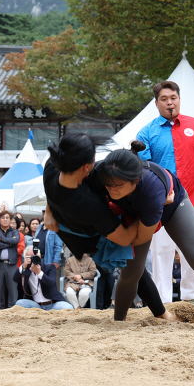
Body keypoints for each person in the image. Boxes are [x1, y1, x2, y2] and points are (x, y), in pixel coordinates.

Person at [95, 145, 194, 327]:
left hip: (171, 205)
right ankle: (118, 321)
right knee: (131, 271)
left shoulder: (152, 189)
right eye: (108, 185)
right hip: (133, 211)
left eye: (118, 185)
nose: (112, 190)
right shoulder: (100, 171)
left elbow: (141, 237)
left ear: (135, 180)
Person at [42, 133, 176, 322]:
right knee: (132, 267)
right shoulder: (89, 205)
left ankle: (161, 313)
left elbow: (50, 190)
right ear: (85, 167)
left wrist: (49, 211)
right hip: (88, 236)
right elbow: (126, 238)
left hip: (65, 223)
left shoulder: (53, 164)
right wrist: (153, 207)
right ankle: (158, 314)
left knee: (135, 270)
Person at [136, 80, 194, 307]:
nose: (169, 102)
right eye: (164, 99)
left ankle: (191, 297)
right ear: (156, 104)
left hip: (193, 198)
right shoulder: (147, 132)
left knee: (193, 249)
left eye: (173, 98)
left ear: (179, 99)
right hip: (161, 201)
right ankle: (161, 300)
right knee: (161, 250)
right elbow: (144, 169)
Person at [0, 211, 20, 310]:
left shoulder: (15, 232)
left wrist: (1, 240)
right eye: (3, 218)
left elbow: (16, 240)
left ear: (10, 220)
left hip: (11, 264)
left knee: (12, 288)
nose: (5, 220)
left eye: (7, 218)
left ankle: (12, 308)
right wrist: (9, 243)